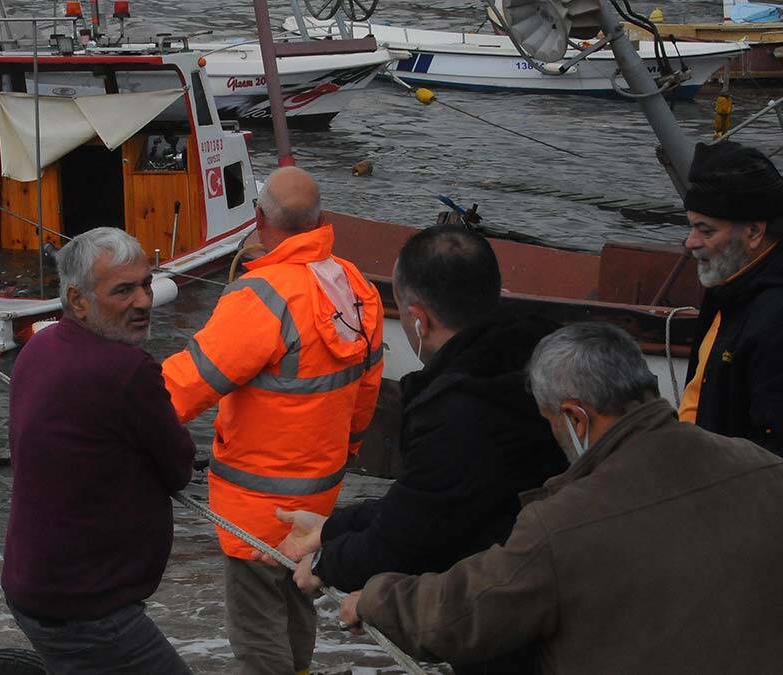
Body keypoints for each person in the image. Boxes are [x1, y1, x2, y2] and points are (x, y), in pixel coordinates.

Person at [340, 322, 783, 674]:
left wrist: (375, 598)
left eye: (549, 420)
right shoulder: (764, 467)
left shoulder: (564, 521)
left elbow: (463, 613)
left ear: (574, 416)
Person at [274, 224, 566, 674]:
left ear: (417, 319)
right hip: (563, 590)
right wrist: (331, 530)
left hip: (511, 626)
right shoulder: (540, 359)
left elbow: (406, 538)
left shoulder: (458, 408)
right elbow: (427, 499)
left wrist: (327, 564)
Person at [162, 166, 385, 675]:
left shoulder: (261, 295)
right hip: (318, 498)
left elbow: (190, 383)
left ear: (259, 219)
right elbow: (365, 395)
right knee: (297, 600)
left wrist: (113, 406)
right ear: (321, 220)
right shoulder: (356, 287)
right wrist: (342, 457)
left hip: (255, 506)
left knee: (258, 632)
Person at [1, 227, 196, 675]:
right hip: (85, 607)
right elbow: (179, 467)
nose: (144, 302)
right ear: (79, 300)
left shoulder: (40, 346)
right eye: (123, 290)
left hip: (32, 585)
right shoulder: (128, 371)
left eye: (146, 284)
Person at [680, 140, 783, 455]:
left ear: (753, 232)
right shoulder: (730, 287)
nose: (690, 243)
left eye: (706, 230)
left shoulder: (774, 318)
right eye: (691, 227)